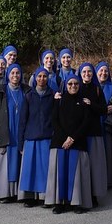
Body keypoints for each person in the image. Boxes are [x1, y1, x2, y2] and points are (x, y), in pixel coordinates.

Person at [46, 73, 93, 213]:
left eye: (76, 84)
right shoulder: (59, 100)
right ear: (66, 85)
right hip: (60, 143)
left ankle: (76, 203)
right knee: (60, 174)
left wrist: (72, 138)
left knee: (77, 175)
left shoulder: (84, 102)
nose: (73, 86)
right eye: (70, 84)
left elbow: (86, 123)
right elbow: (54, 121)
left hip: (77, 143)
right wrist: (64, 138)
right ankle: (59, 203)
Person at [0, 62, 28, 200]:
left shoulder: (26, 90)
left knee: (19, 161)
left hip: (20, 130)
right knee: (6, 163)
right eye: (12, 73)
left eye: (17, 73)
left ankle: (19, 193)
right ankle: (5, 193)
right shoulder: (2, 90)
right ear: (8, 74)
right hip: (6, 130)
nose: (15, 75)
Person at [18, 67, 55, 206]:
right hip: (31, 138)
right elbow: (22, 121)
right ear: (35, 78)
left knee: (45, 170)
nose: (41, 79)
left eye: (44, 76)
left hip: (46, 137)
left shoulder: (52, 95)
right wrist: (21, 142)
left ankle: (46, 197)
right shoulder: (28, 95)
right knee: (30, 170)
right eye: (39, 76)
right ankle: (30, 198)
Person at [78, 61, 108, 204]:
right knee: (82, 166)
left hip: (94, 132)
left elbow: (104, 110)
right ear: (80, 74)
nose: (87, 74)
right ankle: (82, 194)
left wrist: (91, 104)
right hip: (80, 133)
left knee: (95, 166)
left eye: (89, 72)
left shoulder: (97, 89)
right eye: (84, 72)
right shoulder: (75, 87)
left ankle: (94, 195)